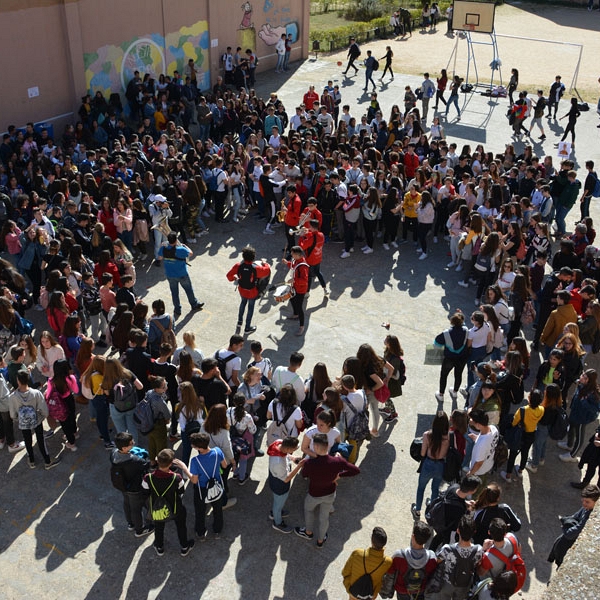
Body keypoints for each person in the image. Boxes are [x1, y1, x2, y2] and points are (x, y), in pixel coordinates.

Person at [294, 432, 360, 547]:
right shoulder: (337, 461)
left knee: (309, 510)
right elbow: (355, 470)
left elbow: (304, 475)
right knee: (324, 518)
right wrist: (339, 476)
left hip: (314, 494)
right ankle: (320, 540)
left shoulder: (310, 463)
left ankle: (308, 532)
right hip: (330, 494)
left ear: (316, 447)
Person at [141, 448, 194, 556]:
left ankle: (159, 547)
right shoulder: (177, 478)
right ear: (171, 464)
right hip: (176, 507)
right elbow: (181, 491)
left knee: (159, 527)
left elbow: (145, 492)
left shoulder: (148, 478)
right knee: (181, 526)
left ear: (157, 461)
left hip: (158, 508)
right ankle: (184, 547)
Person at [9, 370, 60, 469]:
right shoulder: (36, 393)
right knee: (40, 440)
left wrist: (18, 419)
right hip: (37, 420)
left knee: (27, 440)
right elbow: (44, 409)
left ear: (18, 381)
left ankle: (31, 461)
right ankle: (47, 461)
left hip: (23, 423)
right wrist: (42, 416)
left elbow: (12, 414)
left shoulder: (13, 397)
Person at [110, 431, 153, 537]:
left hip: (123, 486)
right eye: (131, 443)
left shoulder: (113, 453)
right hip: (135, 488)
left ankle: (130, 523)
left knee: (127, 504)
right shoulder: (134, 460)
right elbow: (147, 464)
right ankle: (139, 530)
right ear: (124, 448)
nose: (133, 443)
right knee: (136, 509)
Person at [548, 483, 600, 568]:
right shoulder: (586, 508)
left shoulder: (590, 516)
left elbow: (570, 533)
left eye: (587, 502)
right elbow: (573, 517)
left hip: (569, 546)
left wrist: (565, 526)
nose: (583, 504)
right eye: (583, 500)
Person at [383, 521, 438, 600]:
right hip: (420, 592)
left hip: (402, 591)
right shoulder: (432, 558)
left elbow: (390, 576)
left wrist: (386, 592)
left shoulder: (399, 556)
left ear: (413, 536)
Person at [411, 411, 450, 521]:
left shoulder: (427, 435)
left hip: (428, 464)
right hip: (440, 465)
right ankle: (432, 512)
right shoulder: (448, 437)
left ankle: (417, 510)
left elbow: (423, 453)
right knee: (435, 489)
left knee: (421, 488)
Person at [434, 514, 484, 600]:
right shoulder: (479, 550)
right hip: (464, 583)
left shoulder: (447, 549)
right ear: (474, 532)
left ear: (458, 531)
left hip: (447, 582)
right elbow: (478, 564)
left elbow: (437, 561)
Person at [501, 389, 544, 482]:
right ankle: (520, 471)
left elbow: (514, 422)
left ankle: (508, 475)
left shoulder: (523, 410)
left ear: (529, 398)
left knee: (513, 454)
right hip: (531, 434)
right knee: (525, 453)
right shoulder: (541, 410)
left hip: (519, 434)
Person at [429, 475, 481, 551]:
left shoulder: (454, 487)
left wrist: (465, 502)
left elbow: (455, 498)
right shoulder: (460, 509)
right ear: (471, 491)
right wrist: (469, 510)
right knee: (445, 544)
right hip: (447, 528)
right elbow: (457, 525)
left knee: (437, 538)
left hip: (440, 519)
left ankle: (431, 551)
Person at [226, 245, 271, 335]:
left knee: (243, 303)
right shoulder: (256, 268)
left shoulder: (238, 265)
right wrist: (264, 263)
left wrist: (234, 278)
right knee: (250, 308)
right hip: (252, 292)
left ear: (243, 256)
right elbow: (267, 270)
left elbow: (229, 276)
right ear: (253, 258)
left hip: (242, 290)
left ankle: (239, 322)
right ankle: (247, 328)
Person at [158, 232, 204, 318]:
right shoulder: (181, 249)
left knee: (174, 293)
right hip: (182, 274)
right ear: (176, 240)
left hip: (170, 275)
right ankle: (194, 304)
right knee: (188, 290)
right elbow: (191, 253)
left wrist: (161, 246)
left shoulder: (163, 249)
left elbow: (159, 258)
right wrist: (185, 246)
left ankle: (177, 309)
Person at [558, 369, 600, 462]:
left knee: (579, 437)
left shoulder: (593, 393)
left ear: (589, 380)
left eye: (584, 377)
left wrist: (584, 402)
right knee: (570, 430)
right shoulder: (581, 384)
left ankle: (572, 456)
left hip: (582, 419)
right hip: (574, 413)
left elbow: (596, 409)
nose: (581, 377)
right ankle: (569, 445)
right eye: (582, 375)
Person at [342, 526, 392, 600]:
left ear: (372, 540)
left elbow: (345, 572)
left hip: (354, 592)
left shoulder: (357, 553)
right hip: (370, 595)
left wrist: (348, 587)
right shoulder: (388, 562)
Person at [268, 435, 305, 533]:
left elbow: (286, 455)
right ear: (288, 448)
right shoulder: (278, 462)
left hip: (276, 478)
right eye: (294, 448)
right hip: (279, 485)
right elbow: (286, 479)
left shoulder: (279, 443)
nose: (296, 449)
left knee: (278, 501)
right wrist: (299, 466)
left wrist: (293, 459)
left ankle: (276, 513)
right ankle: (277, 522)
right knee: (278, 504)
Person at [434, 311, 469, 402]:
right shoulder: (466, 331)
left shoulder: (446, 333)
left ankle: (441, 394)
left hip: (449, 358)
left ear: (452, 321)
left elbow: (437, 342)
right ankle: (455, 392)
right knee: (458, 375)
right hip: (461, 358)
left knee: (444, 375)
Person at [466, 409, 499, 492]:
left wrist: (470, 473)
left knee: (476, 488)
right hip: (489, 464)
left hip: (479, 471)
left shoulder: (481, 445)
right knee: (483, 482)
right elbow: (489, 441)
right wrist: (477, 438)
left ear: (478, 425)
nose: (470, 421)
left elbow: (479, 463)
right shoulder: (493, 428)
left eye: (472, 421)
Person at [282, 246, 309, 336]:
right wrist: (287, 263)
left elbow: (304, 280)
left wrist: (294, 280)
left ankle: (301, 327)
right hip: (295, 287)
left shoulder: (303, 267)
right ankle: (295, 314)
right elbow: (294, 266)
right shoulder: (297, 261)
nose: (291, 255)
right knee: (292, 299)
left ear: (297, 255)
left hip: (300, 289)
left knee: (299, 306)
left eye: (292, 254)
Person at [298, 219, 327, 294]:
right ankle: (325, 288)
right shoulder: (321, 235)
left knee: (309, 277)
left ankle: (307, 292)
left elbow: (301, 247)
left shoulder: (311, 239)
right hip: (318, 258)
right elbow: (313, 236)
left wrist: (301, 237)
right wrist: (307, 233)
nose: (308, 227)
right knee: (318, 273)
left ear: (313, 227)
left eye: (309, 226)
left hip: (310, 260)